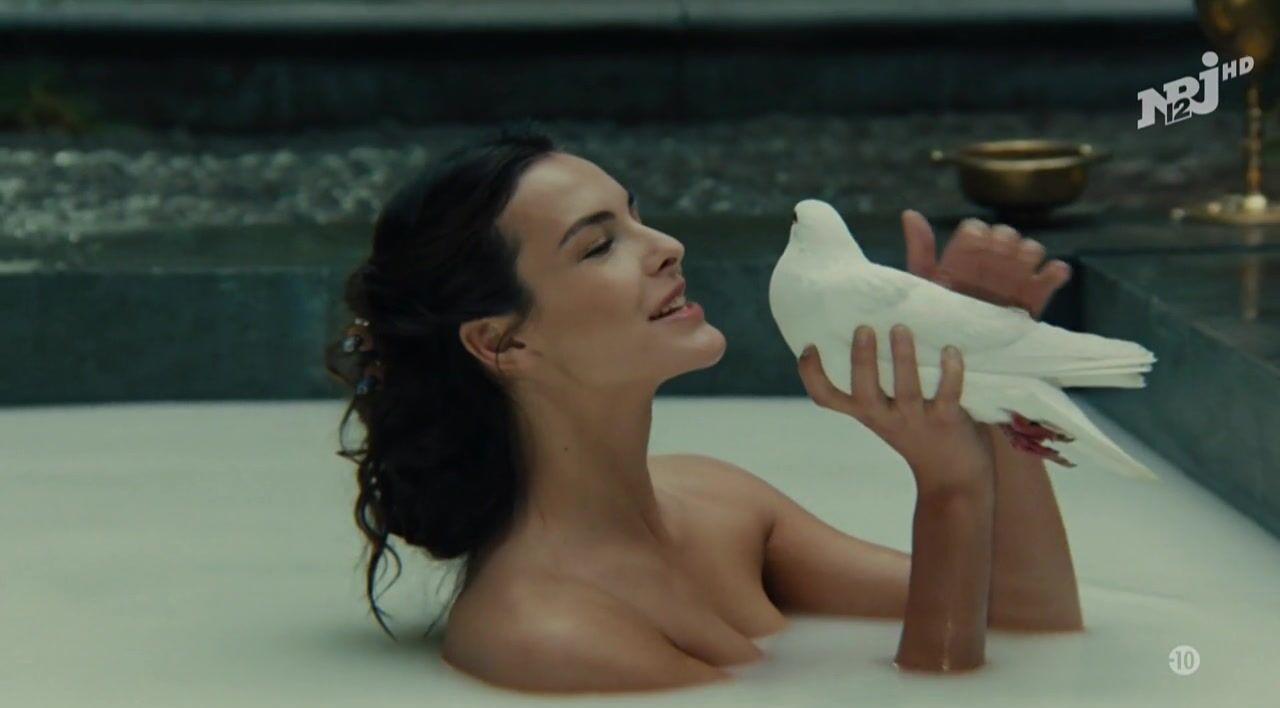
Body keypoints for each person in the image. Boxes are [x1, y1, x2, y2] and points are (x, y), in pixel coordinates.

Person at [324, 126, 1084, 695]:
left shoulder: (718, 503)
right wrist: (949, 488)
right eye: (598, 246)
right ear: (503, 342)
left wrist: (983, 377)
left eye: (637, 217)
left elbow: (1028, 613)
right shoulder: (544, 630)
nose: (666, 246)